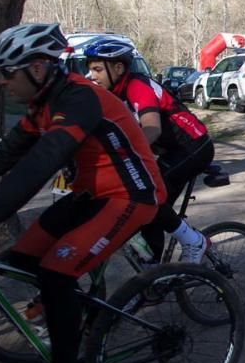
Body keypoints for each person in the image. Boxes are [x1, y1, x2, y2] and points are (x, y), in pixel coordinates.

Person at [0, 23, 165, 363]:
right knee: (20, 259)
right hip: (90, 195)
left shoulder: (79, 99)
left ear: (37, 69)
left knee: (57, 273)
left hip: (131, 195)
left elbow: (40, 163)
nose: (2, 82)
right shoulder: (42, 107)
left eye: (7, 72)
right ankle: (71, 318)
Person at [82, 37, 213, 263]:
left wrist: (121, 159)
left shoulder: (137, 86)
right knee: (150, 212)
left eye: (96, 69)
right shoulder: (115, 92)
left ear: (118, 68)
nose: (91, 76)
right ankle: (151, 276)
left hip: (193, 147)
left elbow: (151, 129)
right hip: (173, 151)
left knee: (151, 197)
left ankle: (194, 240)